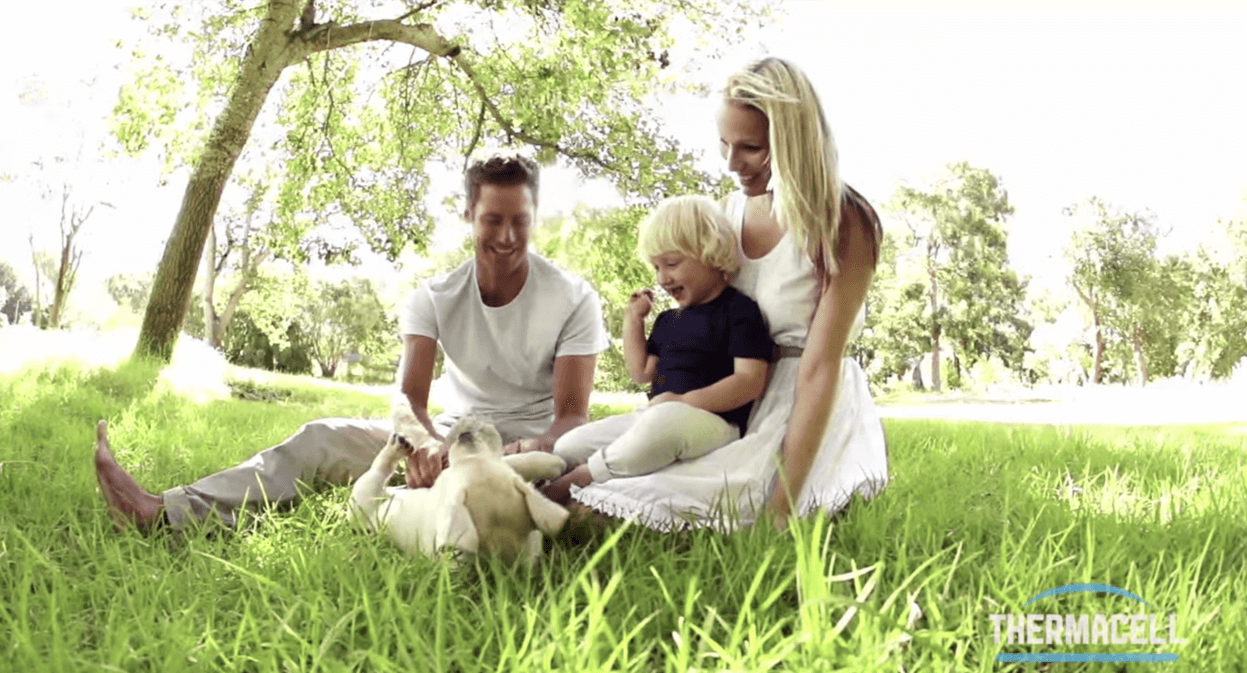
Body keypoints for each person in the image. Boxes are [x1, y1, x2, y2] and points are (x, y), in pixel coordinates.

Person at [93, 151, 611, 532]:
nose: (507, 237)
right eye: (492, 220)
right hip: (456, 434)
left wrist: (529, 449)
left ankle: (499, 507)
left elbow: (571, 417)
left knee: (595, 478)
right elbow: (408, 399)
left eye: (520, 221)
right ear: (468, 216)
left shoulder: (573, 298)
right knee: (321, 437)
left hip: (531, 450)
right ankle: (163, 513)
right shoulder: (435, 297)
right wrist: (425, 444)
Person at [562, 57, 890, 531]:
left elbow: (821, 367)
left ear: (793, 141)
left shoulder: (843, 220)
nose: (732, 163)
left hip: (801, 404)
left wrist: (781, 506)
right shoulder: (725, 213)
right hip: (725, 397)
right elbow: (696, 324)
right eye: (724, 144)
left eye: (751, 148)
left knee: (634, 508)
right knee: (596, 474)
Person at [541, 194, 776, 505]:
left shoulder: (739, 310)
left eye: (672, 264)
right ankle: (554, 469)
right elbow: (641, 372)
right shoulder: (668, 320)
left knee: (663, 425)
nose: (662, 278)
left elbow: (750, 381)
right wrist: (633, 321)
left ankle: (582, 477)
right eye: (656, 267)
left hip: (713, 421)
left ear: (710, 253)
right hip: (654, 414)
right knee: (569, 445)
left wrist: (683, 401)